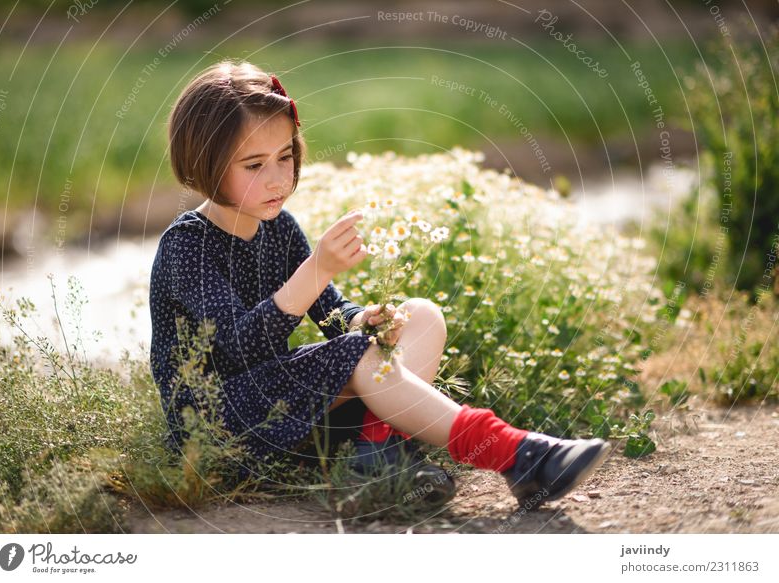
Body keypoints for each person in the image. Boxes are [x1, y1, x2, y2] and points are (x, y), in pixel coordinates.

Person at [149, 59, 611, 511]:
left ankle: (379, 459)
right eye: (253, 165)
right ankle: (514, 453)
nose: (277, 178)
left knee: (422, 317)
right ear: (205, 165)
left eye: (285, 156)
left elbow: (331, 314)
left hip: (288, 416)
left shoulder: (280, 227)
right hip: (218, 430)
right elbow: (236, 347)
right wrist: (318, 269)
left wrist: (362, 319)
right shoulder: (189, 246)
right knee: (356, 353)